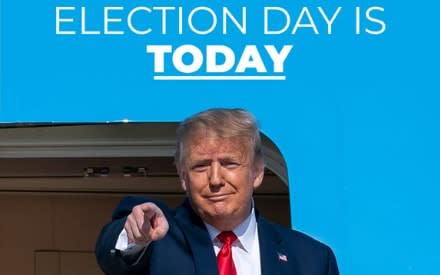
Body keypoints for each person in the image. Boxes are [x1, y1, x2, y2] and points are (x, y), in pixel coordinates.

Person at [95, 108, 339, 275]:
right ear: (183, 177)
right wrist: (136, 238)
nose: (215, 179)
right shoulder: (158, 240)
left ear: (257, 172)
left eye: (229, 164)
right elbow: (113, 256)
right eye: (200, 166)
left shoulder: (311, 260)